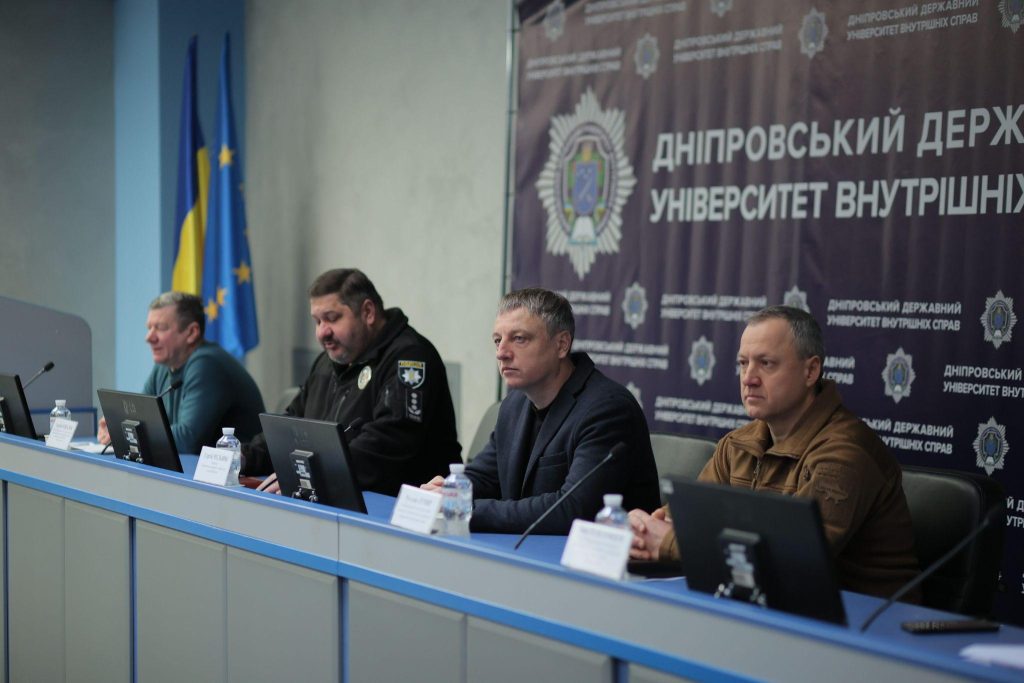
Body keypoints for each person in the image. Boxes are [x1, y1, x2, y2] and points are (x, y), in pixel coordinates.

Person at [629, 306, 920, 599]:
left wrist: (669, 543)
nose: (749, 378)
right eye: (743, 363)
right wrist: (645, 529)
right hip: (771, 602)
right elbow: (684, 520)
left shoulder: (845, 452)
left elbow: (793, 558)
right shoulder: (736, 445)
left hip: (863, 615)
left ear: (811, 371)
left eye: (766, 363)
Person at [423, 288, 661, 534]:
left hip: (602, 555)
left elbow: (572, 509)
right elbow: (485, 477)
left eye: (519, 339)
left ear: (561, 345)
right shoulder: (514, 405)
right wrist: (447, 491)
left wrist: (464, 508)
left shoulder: (607, 409)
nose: (501, 353)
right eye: (497, 340)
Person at [245, 268, 461, 495]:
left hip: (399, 505)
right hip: (336, 497)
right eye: (317, 321)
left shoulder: (410, 358)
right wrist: (245, 457)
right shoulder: (327, 362)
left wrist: (313, 474)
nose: (322, 332)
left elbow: (388, 444)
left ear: (368, 312)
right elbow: (291, 428)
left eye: (332, 318)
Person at [97, 291, 265, 454]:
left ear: (191, 332)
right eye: (149, 328)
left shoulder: (207, 364)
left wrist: (126, 433)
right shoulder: (164, 365)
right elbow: (140, 417)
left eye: (160, 328)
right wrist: (117, 426)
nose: (149, 338)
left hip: (240, 470)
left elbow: (187, 440)